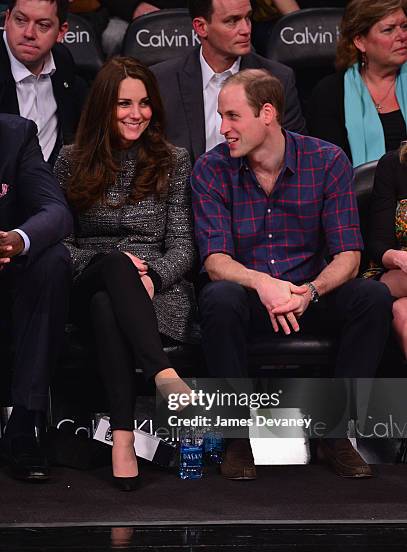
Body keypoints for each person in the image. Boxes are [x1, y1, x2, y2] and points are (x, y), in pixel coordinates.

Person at [191, 68, 394, 480]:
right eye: (221, 116)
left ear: (267, 113)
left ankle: (334, 432)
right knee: (219, 298)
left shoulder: (327, 160)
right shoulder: (211, 169)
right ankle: (239, 436)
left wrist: (310, 293)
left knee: (371, 297)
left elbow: (349, 256)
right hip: (249, 294)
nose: (222, 128)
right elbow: (215, 261)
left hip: (308, 292)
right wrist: (262, 283)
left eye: (232, 116)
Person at [54, 56, 197, 491]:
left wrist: (152, 274)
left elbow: (184, 246)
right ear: (103, 108)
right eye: (123, 104)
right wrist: (106, 264)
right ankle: (162, 373)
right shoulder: (69, 159)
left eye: (144, 103)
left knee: (108, 304)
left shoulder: (173, 160)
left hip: (155, 291)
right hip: (87, 277)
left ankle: (122, 439)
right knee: (112, 268)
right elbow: (60, 244)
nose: (137, 114)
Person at [0, 113, 72, 482]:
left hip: (6, 270)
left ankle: (25, 422)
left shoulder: (15, 134)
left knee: (53, 260)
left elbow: (56, 212)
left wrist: (15, 241)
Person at [151, 0, 306, 164]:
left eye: (248, 18)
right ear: (201, 27)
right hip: (186, 188)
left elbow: (295, 154)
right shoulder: (162, 80)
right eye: (232, 21)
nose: (246, 30)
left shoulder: (278, 78)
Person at [307, 0, 407, 167]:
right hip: (358, 191)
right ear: (359, 41)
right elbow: (327, 168)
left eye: (405, 26)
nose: (403, 36)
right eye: (388, 30)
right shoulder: (329, 94)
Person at [0, 0, 88, 165]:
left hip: (51, 179)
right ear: (7, 19)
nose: (29, 33)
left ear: (61, 32)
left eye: (43, 25)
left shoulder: (62, 61)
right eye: (20, 20)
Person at [364, 143, 407, 356]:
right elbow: (378, 244)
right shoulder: (393, 164)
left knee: (403, 314)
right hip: (396, 272)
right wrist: (400, 258)